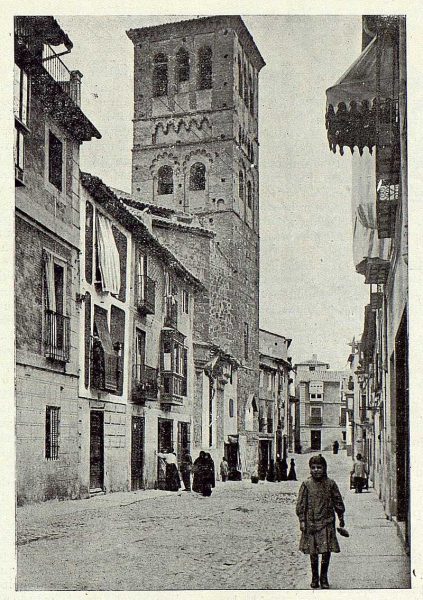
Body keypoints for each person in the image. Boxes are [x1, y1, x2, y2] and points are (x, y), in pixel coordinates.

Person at [296, 454, 346, 589]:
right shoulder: (306, 484)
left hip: (327, 522)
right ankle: (314, 578)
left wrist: (341, 516)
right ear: (310, 469)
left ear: (324, 468)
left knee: (325, 551)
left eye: (319, 467)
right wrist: (302, 520)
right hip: (311, 524)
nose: (316, 470)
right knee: (313, 552)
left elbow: (337, 501)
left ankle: (324, 577)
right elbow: (301, 504)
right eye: (313, 468)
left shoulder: (330, 484)